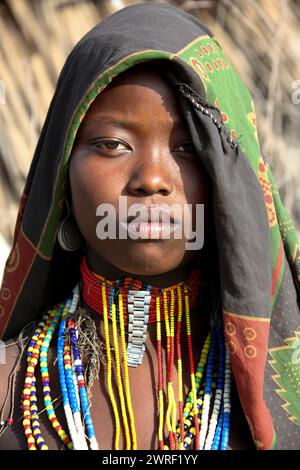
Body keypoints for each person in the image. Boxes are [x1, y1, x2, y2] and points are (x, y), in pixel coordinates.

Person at [0, 2, 299, 451]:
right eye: (113, 145)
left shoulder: (280, 393)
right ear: (62, 172)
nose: (152, 180)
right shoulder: (9, 388)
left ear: (229, 182)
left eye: (187, 149)